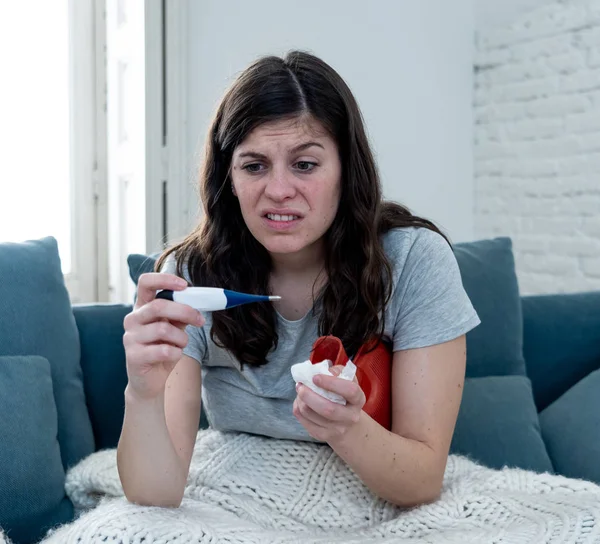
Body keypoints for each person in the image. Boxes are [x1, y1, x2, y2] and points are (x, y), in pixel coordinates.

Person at [117, 50, 480, 510]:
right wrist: (142, 392)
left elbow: (423, 482)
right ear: (228, 178)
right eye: (254, 166)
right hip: (239, 499)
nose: (279, 190)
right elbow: (156, 495)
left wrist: (347, 428)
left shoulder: (412, 261)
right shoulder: (189, 280)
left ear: (347, 170)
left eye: (305, 165)